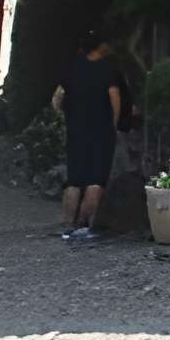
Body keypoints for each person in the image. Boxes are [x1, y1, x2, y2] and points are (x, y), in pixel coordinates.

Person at [53, 27, 123, 240]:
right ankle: (84, 226)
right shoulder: (108, 70)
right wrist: (114, 122)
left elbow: (57, 98)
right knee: (96, 179)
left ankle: (66, 224)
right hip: (101, 130)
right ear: (102, 47)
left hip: (76, 129)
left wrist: (66, 115)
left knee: (74, 179)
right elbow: (115, 99)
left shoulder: (72, 68)